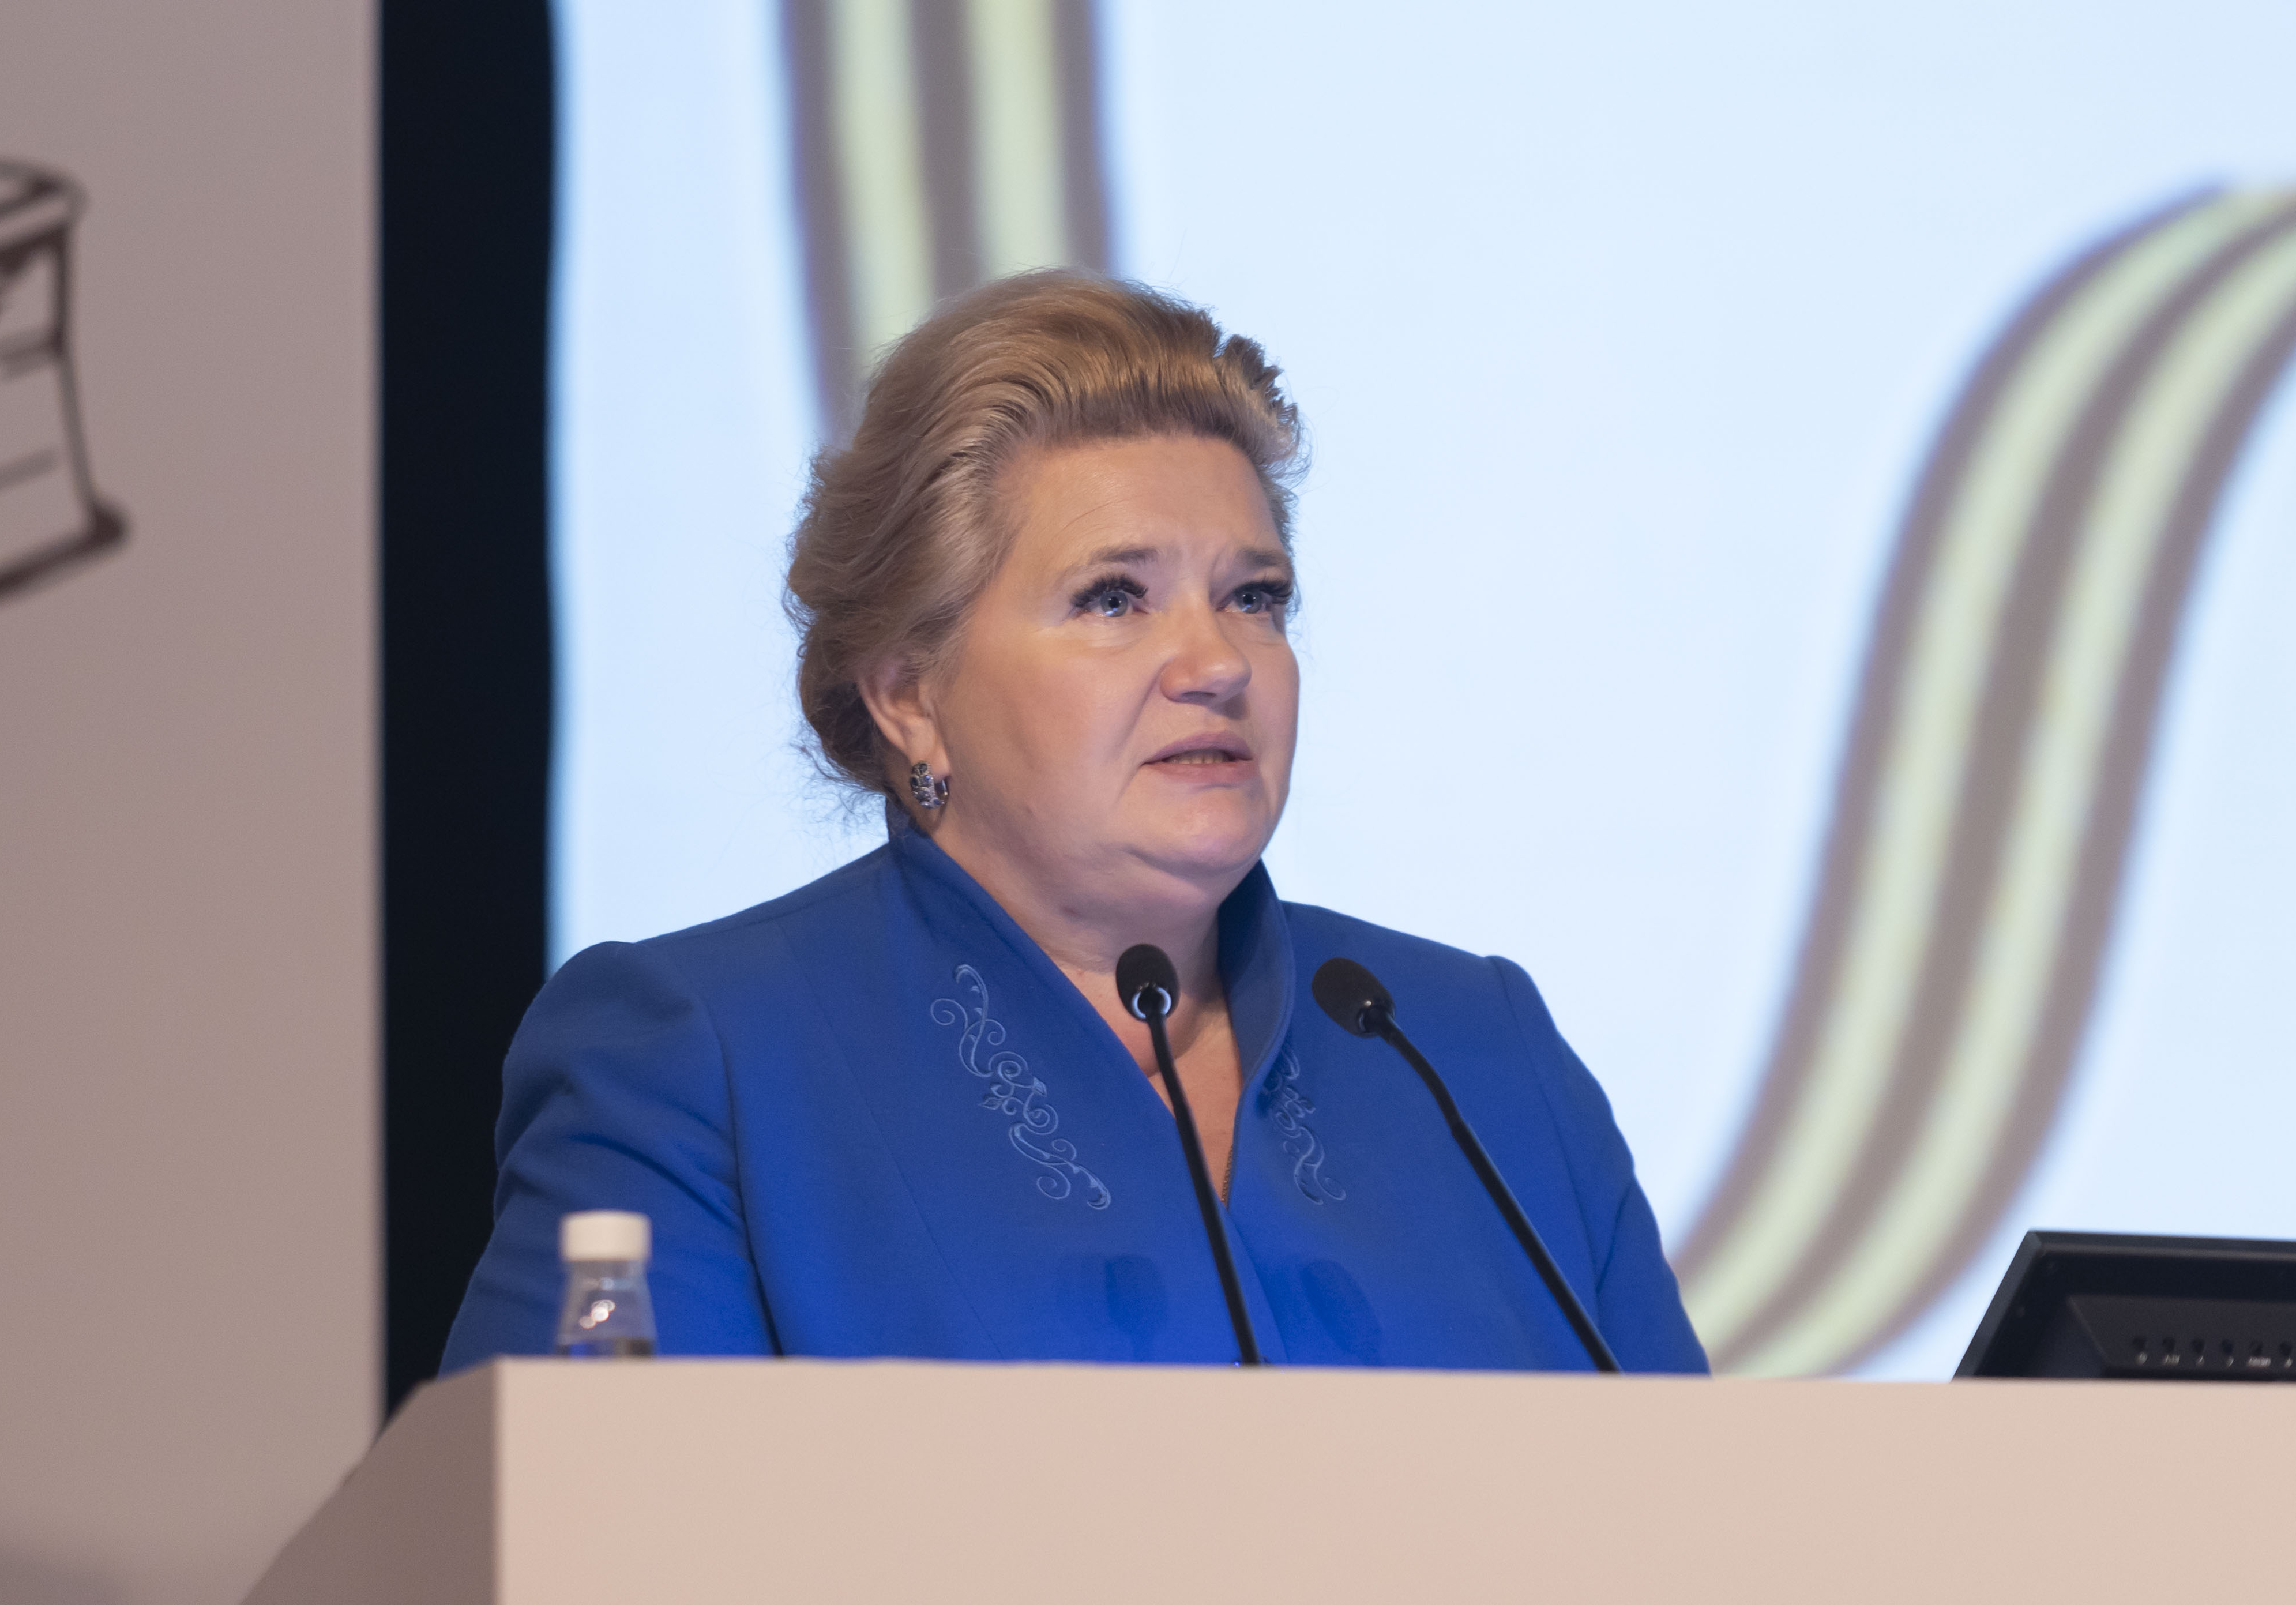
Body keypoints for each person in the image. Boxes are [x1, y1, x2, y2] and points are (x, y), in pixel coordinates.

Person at [441, 273, 1708, 1374]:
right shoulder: (700, 1063)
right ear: (909, 694)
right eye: (1113, 599)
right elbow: (571, 1528)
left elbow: (1704, 1518)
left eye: (1255, 597)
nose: (1218, 662)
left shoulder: (1477, 1055)